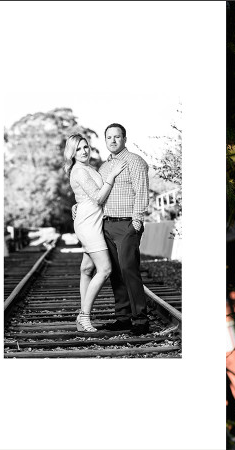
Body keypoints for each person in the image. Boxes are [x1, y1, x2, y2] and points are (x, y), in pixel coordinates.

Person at [65, 134, 127, 332]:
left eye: (85, 147)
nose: (83, 151)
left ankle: (82, 317)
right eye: (78, 149)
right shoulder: (80, 171)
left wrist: (77, 204)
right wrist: (112, 175)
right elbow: (98, 198)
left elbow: (85, 198)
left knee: (86, 270)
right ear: (72, 153)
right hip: (88, 224)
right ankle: (84, 316)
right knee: (105, 270)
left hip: (91, 220)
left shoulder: (87, 168)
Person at [97, 123, 152, 335]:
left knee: (129, 270)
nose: (113, 140)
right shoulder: (103, 168)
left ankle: (140, 320)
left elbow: (141, 193)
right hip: (107, 224)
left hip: (127, 223)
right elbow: (97, 195)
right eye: (109, 137)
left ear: (124, 138)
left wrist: (136, 222)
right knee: (116, 273)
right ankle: (123, 317)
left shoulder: (135, 162)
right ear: (105, 140)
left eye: (117, 137)